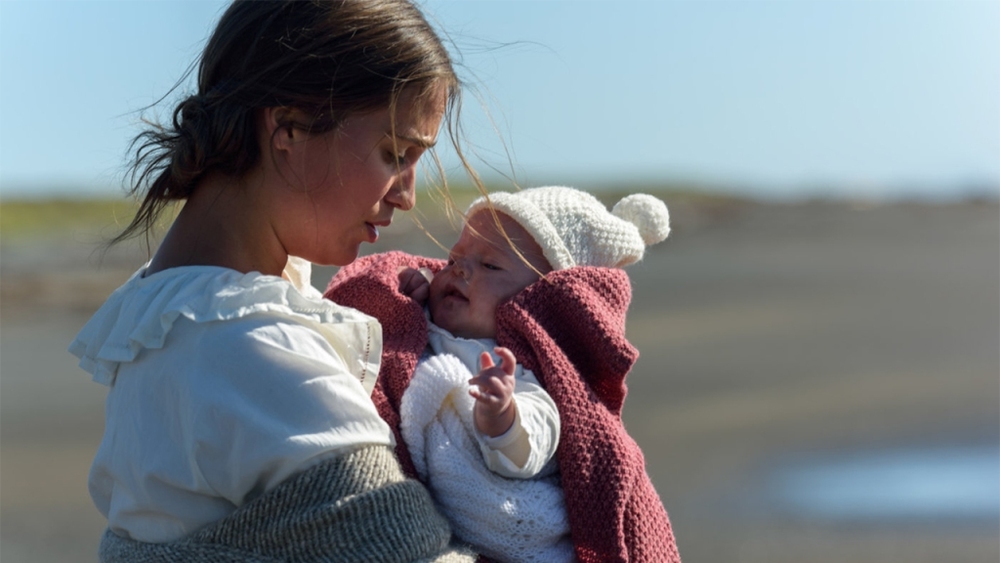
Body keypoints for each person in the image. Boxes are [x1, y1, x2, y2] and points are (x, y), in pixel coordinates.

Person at [69, 1, 480, 561]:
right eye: (394, 152)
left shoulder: (161, 316)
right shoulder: (253, 349)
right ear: (288, 128)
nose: (406, 194)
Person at [326, 186, 684, 563]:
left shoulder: (520, 371)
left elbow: (537, 441)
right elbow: (356, 307)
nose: (459, 269)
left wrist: (503, 417)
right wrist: (399, 291)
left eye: (490, 265)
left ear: (536, 301)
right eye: (454, 258)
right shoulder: (422, 324)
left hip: (513, 531)